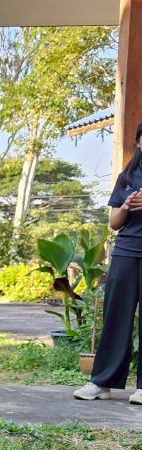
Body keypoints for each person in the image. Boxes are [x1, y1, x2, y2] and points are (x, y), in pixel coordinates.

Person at [74, 122, 142, 405]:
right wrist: (125, 206)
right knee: (116, 316)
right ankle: (101, 382)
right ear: (138, 142)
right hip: (126, 251)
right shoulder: (127, 177)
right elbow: (113, 223)